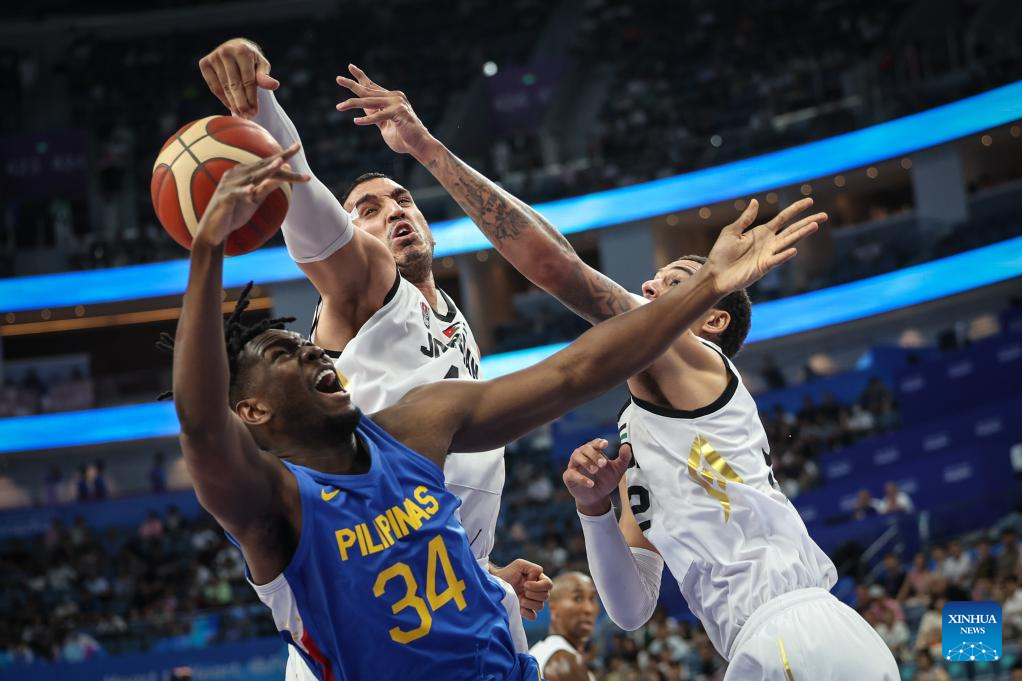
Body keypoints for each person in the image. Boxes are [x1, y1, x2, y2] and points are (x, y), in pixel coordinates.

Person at [166, 145, 811, 679]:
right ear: (251, 410)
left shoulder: (415, 426)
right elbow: (200, 422)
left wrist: (483, 574)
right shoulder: (273, 506)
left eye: (305, 346)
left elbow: (574, 372)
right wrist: (208, 250)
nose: (311, 352)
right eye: (286, 354)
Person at [198, 43, 550, 669]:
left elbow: (425, 504)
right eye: (368, 209)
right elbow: (308, 207)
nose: (393, 211)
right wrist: (262, 113)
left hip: (443, 589)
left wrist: (485, 569)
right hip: (363, 616)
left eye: (402, 200)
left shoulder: (452, 315)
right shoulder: (366, 288)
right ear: (349, 235)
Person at [529, 572, 599, 681]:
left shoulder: (542, 651)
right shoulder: (563, 662)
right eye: (578, 598)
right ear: (554, 609)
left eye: (592, 599)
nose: (588, 609)